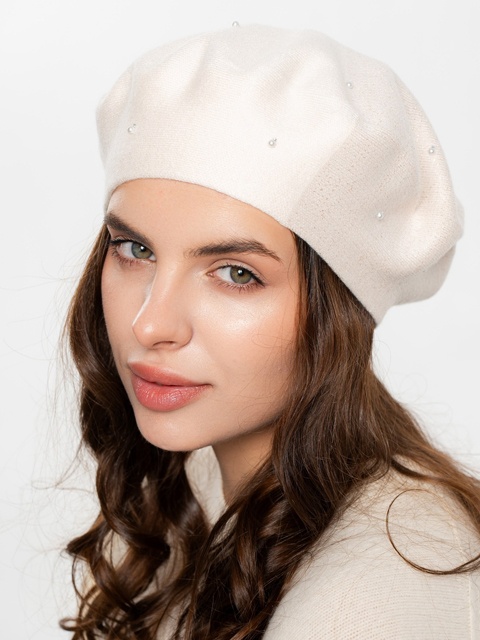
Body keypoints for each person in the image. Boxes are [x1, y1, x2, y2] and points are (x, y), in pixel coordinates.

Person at [60, 24, 480, 639]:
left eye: (236, 273)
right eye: (134, 249)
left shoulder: (373, 596)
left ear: (340, 308)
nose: (150, 323)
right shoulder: (204, 488)